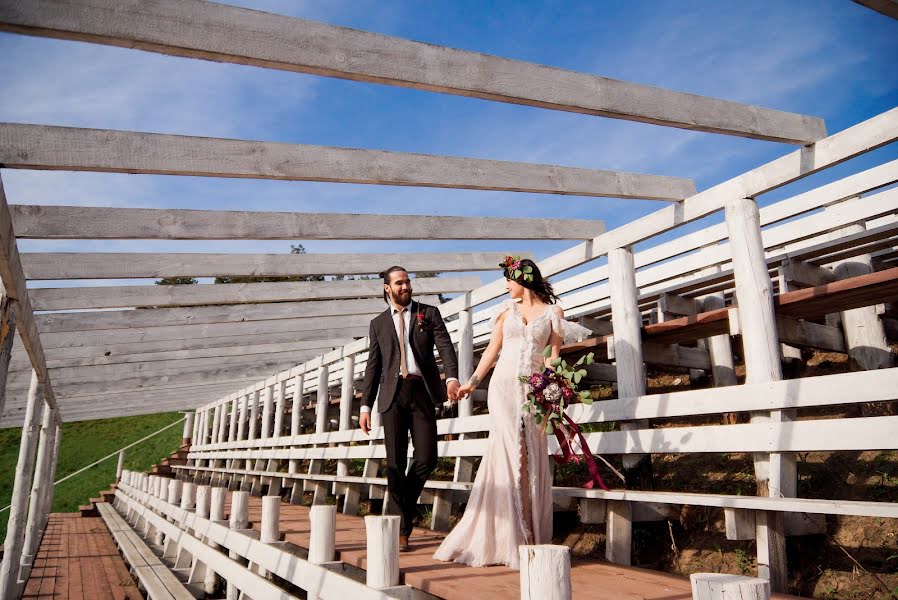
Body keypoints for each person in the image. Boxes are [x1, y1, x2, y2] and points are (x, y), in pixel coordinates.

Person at [433, 257, 591, 569]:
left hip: (535, 392)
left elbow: (552, 359)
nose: (506, 285)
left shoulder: (553, 313)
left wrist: (554, 391)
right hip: (503, 388)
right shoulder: (506, 311)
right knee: (507, 451)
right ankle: (507, 536)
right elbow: (492, 353)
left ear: (524, 278)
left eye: (509, 279)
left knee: (531, 454)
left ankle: (529, 533)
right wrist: (471, 384)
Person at [359, 266, 460, 552]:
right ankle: (404, 529)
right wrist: (365, 405)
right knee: (395, 463)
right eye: (399, 283)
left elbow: (445, 347)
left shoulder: (428, 313)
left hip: (422, 391)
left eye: (407, 282)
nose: (406, 286)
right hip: (391, 397)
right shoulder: (377, 324)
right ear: (387, 288)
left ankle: (405, 506)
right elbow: (373, 366)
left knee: (428, 457)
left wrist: (451, 378)